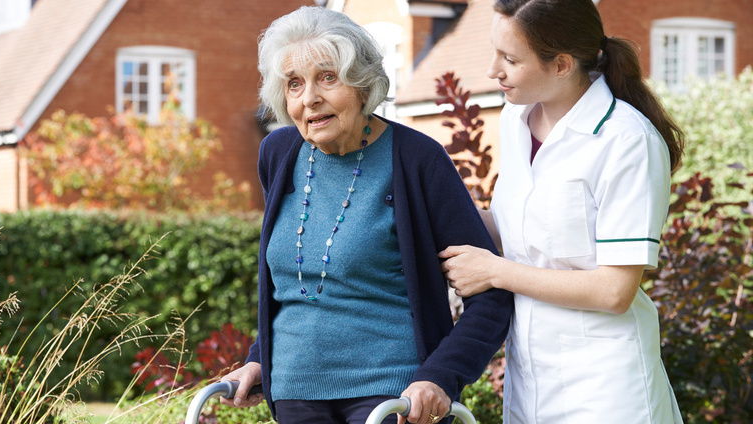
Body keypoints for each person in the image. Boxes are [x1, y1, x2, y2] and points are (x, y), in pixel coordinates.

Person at [219, 6, 513, 424]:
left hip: (392, 398)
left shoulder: (417, 159)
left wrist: (440, 378)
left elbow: (491, 296)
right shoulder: (279, 153)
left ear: (362, 83)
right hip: (293, 392)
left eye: (327, 77)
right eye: (294, 84)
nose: (310, 98)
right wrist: (259, 357)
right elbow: (295, 283)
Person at [438, 0, 685, 422]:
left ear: (561, 65)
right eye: (495, 51)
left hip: (605, 389)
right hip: (529, 384)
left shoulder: (626, 141)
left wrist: (495, 271)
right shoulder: (514, 119)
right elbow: (520, 233)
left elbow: (614, 291)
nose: (492, 70)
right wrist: (426, 216)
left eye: (510, 59)